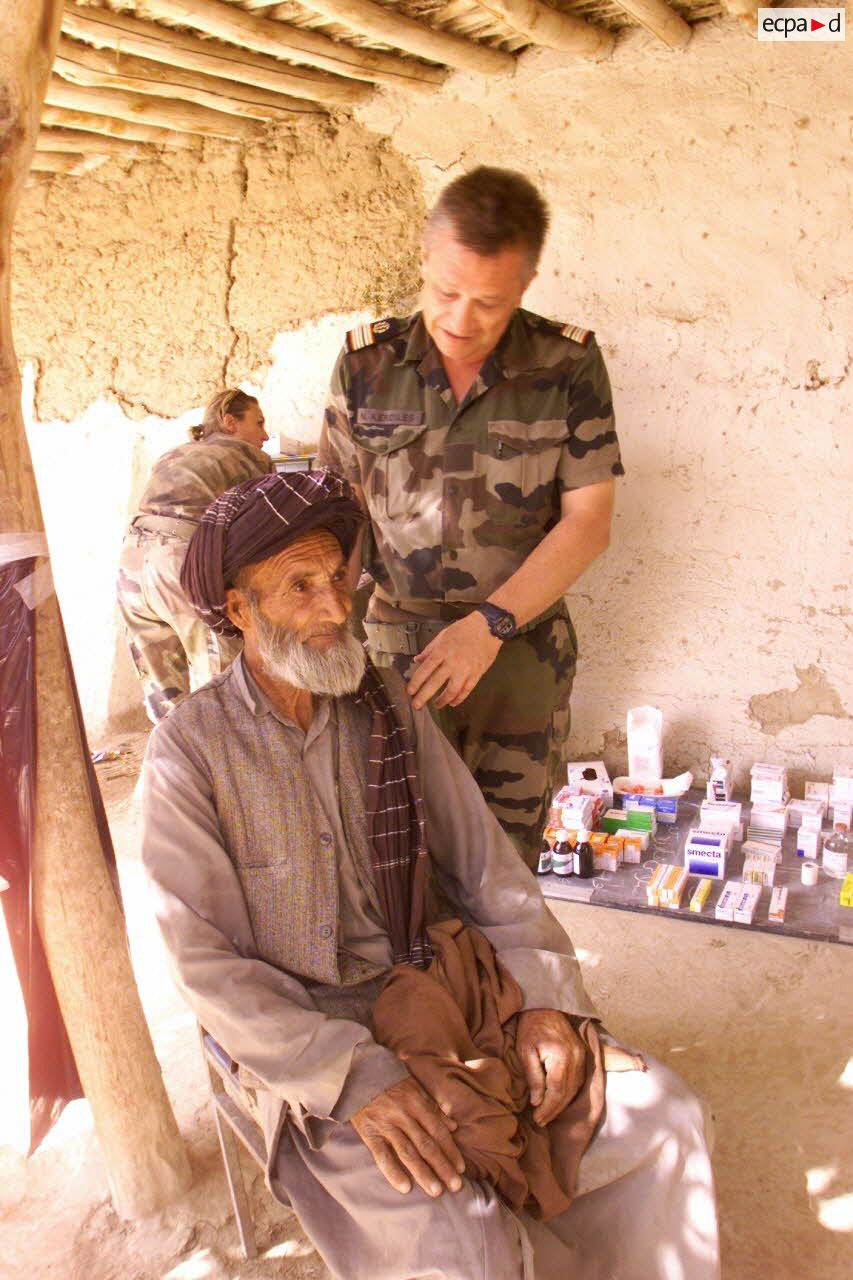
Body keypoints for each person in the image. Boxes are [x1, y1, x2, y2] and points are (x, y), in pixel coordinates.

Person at [142, 471, 719, 1280]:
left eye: (338, 578)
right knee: (458, 1235)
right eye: (300, 586)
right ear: (240, 610)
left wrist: (544, 1000)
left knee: (667, 1120)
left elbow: (490, 873)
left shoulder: (385, 703)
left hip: (445, 985)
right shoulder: (189, 753)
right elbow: (205, 965)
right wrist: (350, 1076)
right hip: (309, 1039)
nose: (336, 608)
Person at [318, 167, 624, 870]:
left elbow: (589, 519)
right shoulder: (366, 365)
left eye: (488, 302)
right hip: (397, 654)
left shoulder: (566, 365)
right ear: (423, 260)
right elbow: (336, 510)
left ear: (526, 284)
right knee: (399, 858)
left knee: (504, 868)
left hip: (517, 655)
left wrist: (488, 627)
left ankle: (495, 983)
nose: (460, 320)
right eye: (446, 292)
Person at [117, 388, 274, 722]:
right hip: (180, 562)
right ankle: (224, 765)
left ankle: (175, 764)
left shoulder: (174, 454)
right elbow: (268, 525)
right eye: (258, 423)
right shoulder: (246, 455)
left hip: (133, 562)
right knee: (221, 682)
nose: (265, 434)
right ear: (229, 422)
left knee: (165, 693)